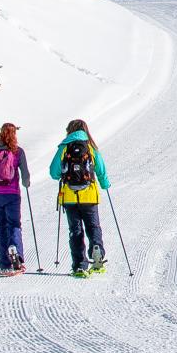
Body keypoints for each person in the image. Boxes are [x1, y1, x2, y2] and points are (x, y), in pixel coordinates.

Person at [50, 118, 110, 277]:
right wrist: (105, 184)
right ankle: (97, 253)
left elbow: (53, 172)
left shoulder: (64, 147)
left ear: (69, 130)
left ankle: (79, 265)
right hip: (89, 195)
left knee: (75, 231)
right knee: (93, 227)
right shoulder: (90, 146)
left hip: (70, 196)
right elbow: (101, 169)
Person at [0, 123, 30, 275]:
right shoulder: (18, 151)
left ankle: (4, 264)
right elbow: (25, 175)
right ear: (14, 134)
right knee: (14, 224)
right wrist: (26, 183)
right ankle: (16, 254)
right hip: (12, 193)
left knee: (0, 227)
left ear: (1, 133)